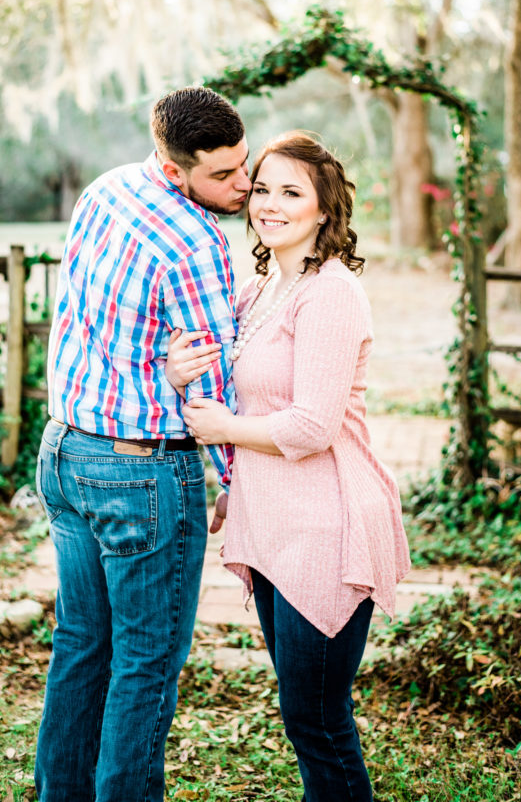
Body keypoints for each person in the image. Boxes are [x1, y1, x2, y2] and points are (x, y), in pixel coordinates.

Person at [167, 132, 411, 802]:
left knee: (318, 720)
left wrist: (224, 429)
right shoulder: (260, 289)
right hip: (277, 526)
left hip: (328, 529)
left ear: (324, 209)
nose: (269, 204)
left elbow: (312, 426)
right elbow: (244, 386)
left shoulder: (329, 294)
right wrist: (183, 375)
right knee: (304, 714)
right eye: (264, 188)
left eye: (291, 192)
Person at [34, 86, 251, 802]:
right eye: (221, 175)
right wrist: (234, 481)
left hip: (65, 452)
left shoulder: (106, 189)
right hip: (139, 472)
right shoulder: (196, 243)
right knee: (146, 662)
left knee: (81, 645)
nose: (241, 185)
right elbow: (212, 380)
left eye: (242, 165)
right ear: (172, 161)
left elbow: (80, 316)